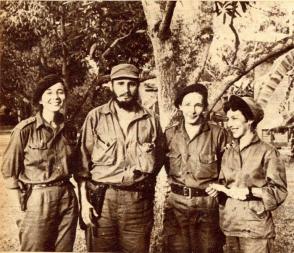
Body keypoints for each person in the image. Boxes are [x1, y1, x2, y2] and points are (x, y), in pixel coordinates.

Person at [77, 63, 164, 252]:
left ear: (138, 85)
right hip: (102, 202)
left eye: (131, 84)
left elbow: (159, 158)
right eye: (120, 83)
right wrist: (84, 203)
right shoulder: (96, 117)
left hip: (138, 204)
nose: (126, 89)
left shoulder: (150, 120)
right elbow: (82, 166)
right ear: (112, 86)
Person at [1, 74, 78, 251]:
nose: (56, 97)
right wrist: (20, 210)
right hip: (37, 198)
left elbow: (77, 166)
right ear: (41, 99)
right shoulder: (24, 130)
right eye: (49, 93)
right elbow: (9, 173)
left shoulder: (70, 129)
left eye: (60, 92)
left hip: (67, 196)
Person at [207, 95, 288, 253]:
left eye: (235, 118)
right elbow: (225, 185)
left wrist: (250, 191)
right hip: (229, 226)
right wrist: (218, 190)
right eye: (228, 119)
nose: (229, 124)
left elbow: (279, 191)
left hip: (255, 230)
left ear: (250, 120)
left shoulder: (268, 152)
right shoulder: (228, 152)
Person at [163, 83, 228, 253]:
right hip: (176, 204)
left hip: (207, 205)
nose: (192, 110)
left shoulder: (218, 134)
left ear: (204, 107)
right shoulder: (170, 134)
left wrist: (221, 187)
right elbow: (159, 164)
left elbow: (229, 168)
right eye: (188, 104)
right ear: (180, 106)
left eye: (198, 105)